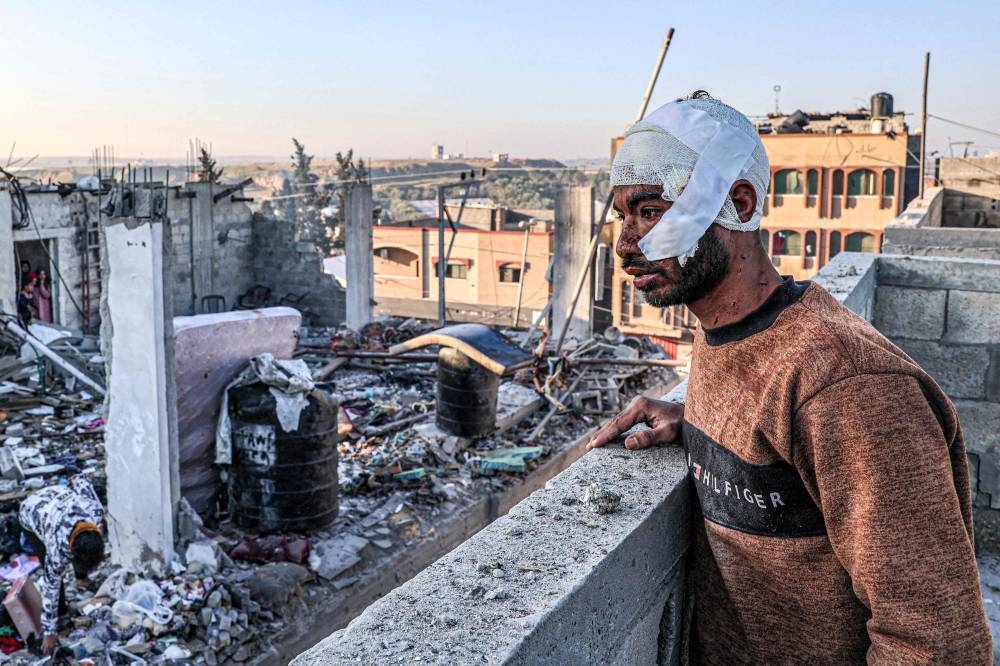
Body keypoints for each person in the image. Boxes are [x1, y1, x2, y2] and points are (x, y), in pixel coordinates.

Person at [588, 92, 993, 663]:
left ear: (739, 203)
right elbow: (776, 422)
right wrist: (704, 424)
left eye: (651, 212)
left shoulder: (851, 388)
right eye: (621, 216)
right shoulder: (731, 331)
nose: (627, 244)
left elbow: (937, 643)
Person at [18, 475, 105, 654]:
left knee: (83, 555)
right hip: (32, 511)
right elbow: (50, 586)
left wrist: (78, 479)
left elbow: (83, 481)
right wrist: (49, 632)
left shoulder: (95, 511)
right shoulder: (56, 548)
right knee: (54, 573)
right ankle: (62, 612)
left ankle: (81, 579)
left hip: (58, 498)